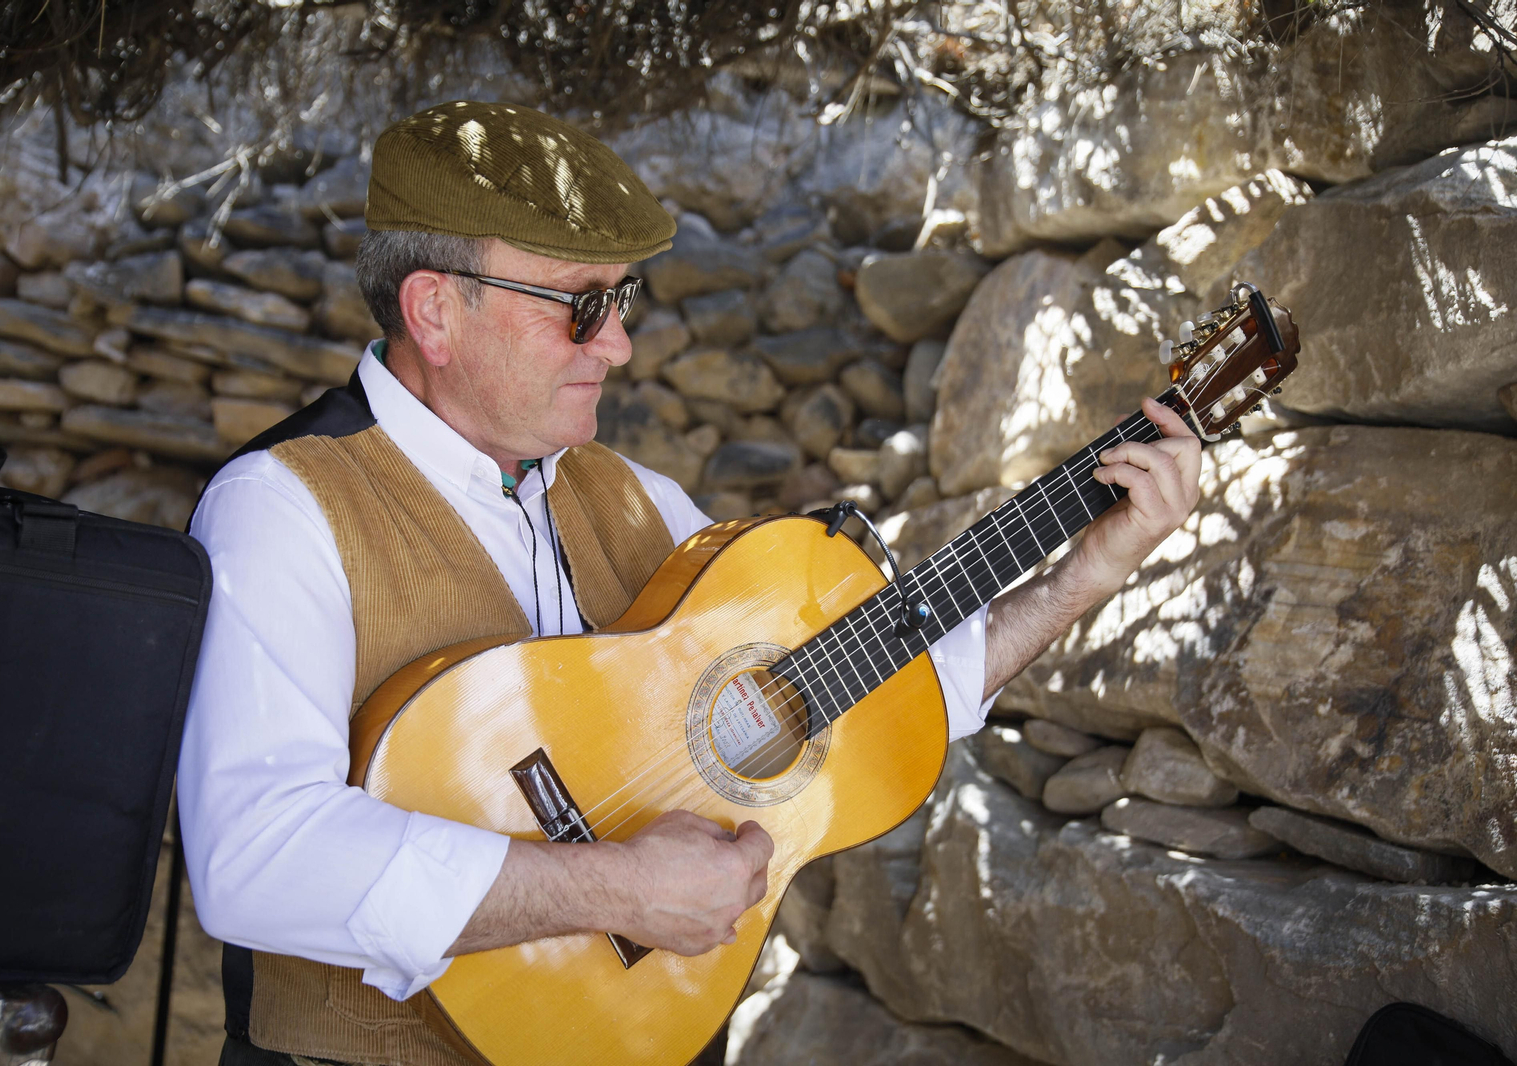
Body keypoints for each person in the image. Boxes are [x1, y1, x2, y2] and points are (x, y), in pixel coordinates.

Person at [176, 100, 1202, 1066]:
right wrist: (614, 887)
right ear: (437, 311)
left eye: (620, 301)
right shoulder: (283, 506)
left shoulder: (639, 502)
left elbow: (875, 680)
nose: (618, 344)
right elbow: (254, 855)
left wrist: (1085, 574)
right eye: (580, 308)